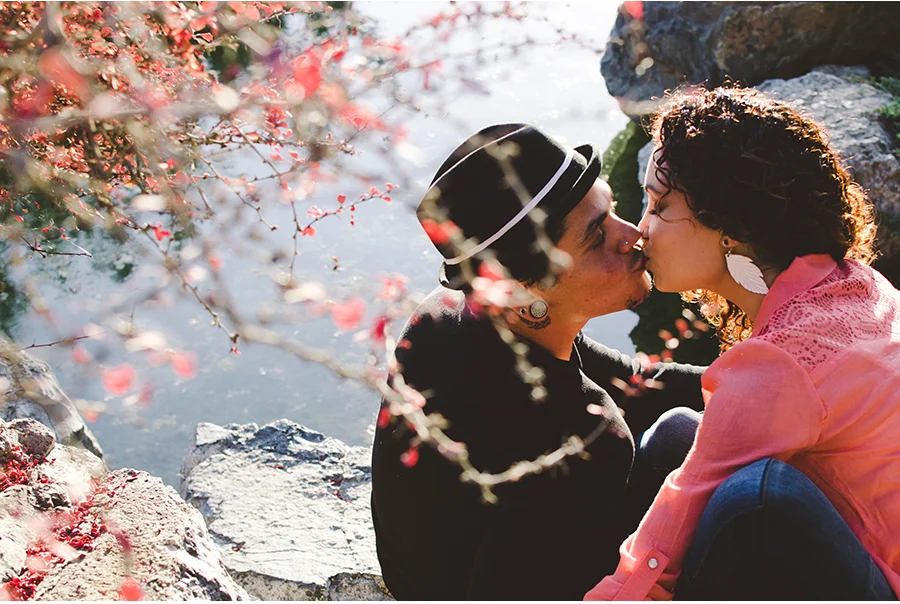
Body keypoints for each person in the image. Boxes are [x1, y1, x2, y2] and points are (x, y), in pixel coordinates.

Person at [586, 86, 900, 601]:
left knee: (756, 495)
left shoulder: (779, 363)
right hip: (858, 541)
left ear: (728, 227)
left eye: (659, 207)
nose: (641, 230)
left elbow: (681, 509)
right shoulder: (855, 280)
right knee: (678, 432)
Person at [371, 123, 706, 601]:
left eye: (612, 209)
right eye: (596, 236)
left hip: (428, 580)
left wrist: (766, 374)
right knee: (684, 440)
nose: (632, 234)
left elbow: (634, 381)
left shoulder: (450, 313)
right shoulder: (580, 438)